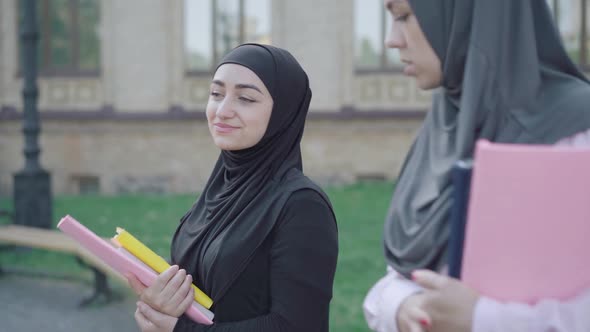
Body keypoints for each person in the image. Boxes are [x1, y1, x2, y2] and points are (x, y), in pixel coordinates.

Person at [363, 1, 590, 331]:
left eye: (404, 17)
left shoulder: (577, 133)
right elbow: (398, 274)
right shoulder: (446, 126)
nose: (391, 40)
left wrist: (485, 319)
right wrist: (401, 305)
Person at [126, 43, 339, 332]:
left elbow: (295, 326)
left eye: (246, 99)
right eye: (216, 94)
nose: (222, 111)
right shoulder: (221, 188)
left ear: (284, 111)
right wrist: (162, 292)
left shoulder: (302, 205)